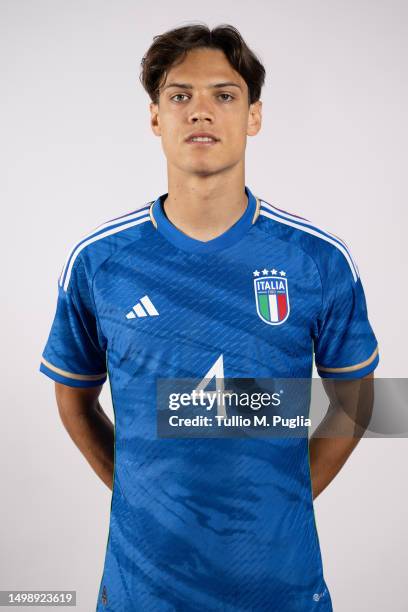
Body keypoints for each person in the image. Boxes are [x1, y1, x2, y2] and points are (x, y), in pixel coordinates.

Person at [39, 23, 379, 611]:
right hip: (141, 592)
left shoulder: (316, 260)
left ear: (254, 116)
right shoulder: (100, 262)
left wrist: (287, 494)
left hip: (281, 590)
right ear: (154, 118)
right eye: (180, 96)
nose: (201, 112)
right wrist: (139, 492)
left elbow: (359, 398)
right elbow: (73, 399)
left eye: (224, 95)